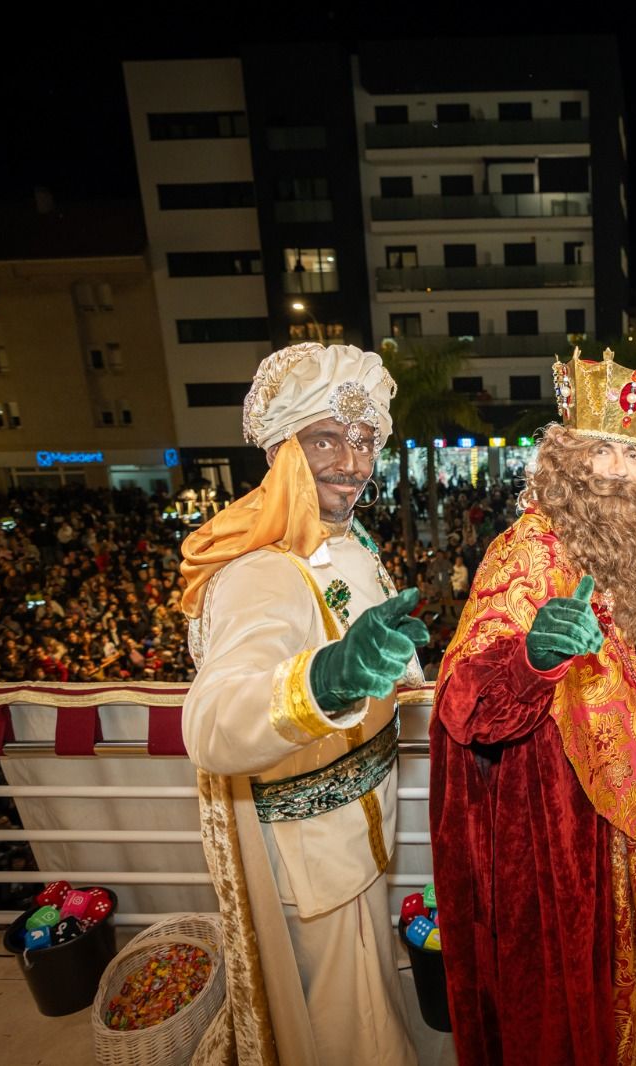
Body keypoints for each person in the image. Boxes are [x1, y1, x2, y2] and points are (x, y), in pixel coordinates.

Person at [429, 349, 636, 1066]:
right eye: (601, 450)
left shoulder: (614, 548)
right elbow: (465, 704)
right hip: (544, 808)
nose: (618, 471)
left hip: (608, 799)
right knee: (558, 978)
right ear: (567, 462)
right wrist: (532, 658)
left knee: (607, 957)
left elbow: (617, 649)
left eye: (633, 455)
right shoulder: (525, 551)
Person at [178, 342, 423, 1066]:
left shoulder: (348, 541)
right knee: (346, 1034)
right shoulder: (263, 572)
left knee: (369, 1000)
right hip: (312, 851)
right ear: (284, 451)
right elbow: (214, 721)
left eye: (363, 439)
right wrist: (329, 679)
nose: (351, 463)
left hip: (362, 827)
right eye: (325, 439)